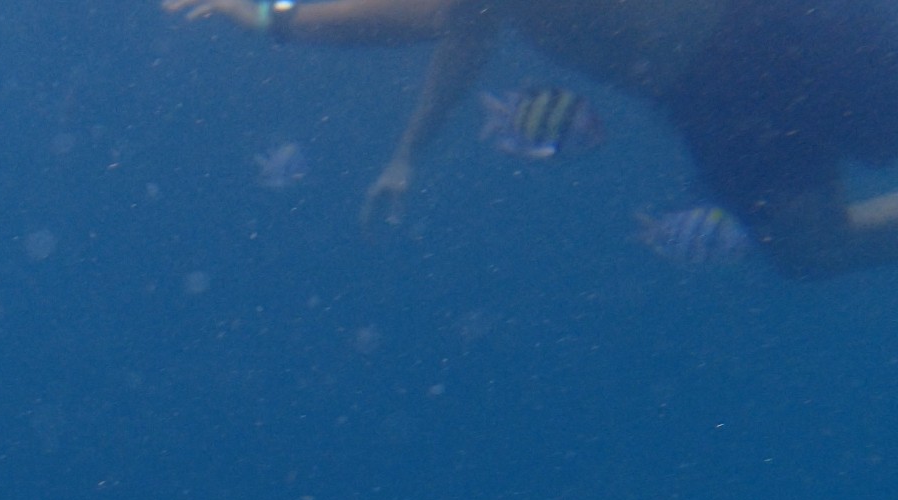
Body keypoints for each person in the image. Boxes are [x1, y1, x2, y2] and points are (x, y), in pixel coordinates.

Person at [165, 0, 898, 276]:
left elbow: (432, 22)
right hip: (707, 98)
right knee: (808, 249)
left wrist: (273, 21)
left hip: (768, 31)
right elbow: (454, 28)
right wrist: (406, 153)